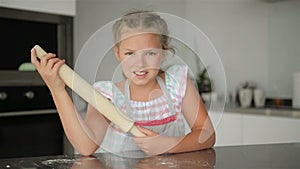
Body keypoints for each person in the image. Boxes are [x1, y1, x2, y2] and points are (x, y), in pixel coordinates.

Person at [31, 10, 215, 157]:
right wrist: (57, 89)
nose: (140, 63)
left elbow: (207, 134)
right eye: (130, 53)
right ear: (118, 53)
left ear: (164, 53)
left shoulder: (178, 84)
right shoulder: (107, 95)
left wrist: (169, 144)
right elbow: (86, 146)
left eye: (150, 53)